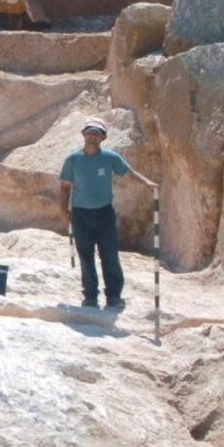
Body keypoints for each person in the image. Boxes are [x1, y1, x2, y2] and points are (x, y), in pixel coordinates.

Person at [58, 116, 158, 309]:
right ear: (83, 134)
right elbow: (65, 187)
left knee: (110, 254)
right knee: (85, 255)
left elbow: (129, 172)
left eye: (97, 133)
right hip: (81, 214)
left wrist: (147, 182)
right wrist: (63, 211)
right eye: (89, 132)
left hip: (104, 213)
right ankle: (90, 296)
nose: (92, 136)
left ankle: (113, 296)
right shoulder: (72, 160)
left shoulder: (110, 158)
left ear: (103, 137)